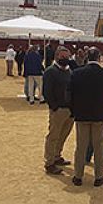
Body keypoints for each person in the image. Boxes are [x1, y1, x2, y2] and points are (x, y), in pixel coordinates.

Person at [69, 47, 103, 187]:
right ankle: (98, 177)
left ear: (86, 57)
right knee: (98, 147)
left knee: (81, 147)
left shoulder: (77, 73)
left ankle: (78, 176)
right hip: (100, 115)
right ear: (99, 58)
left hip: (82, 115)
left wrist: (74, 111)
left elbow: (70, 94)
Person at [42, 46, 74, 175]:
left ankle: (57, 155)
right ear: (56, 56)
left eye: (67, 56)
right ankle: (49, 162)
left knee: (63, 135)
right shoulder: (50, 71)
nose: (65, 59)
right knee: (53, 136)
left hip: (70, 110)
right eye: (62, 56)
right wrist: (54, 106)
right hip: (58, 110)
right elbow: (47, 91)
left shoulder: (69, 71)